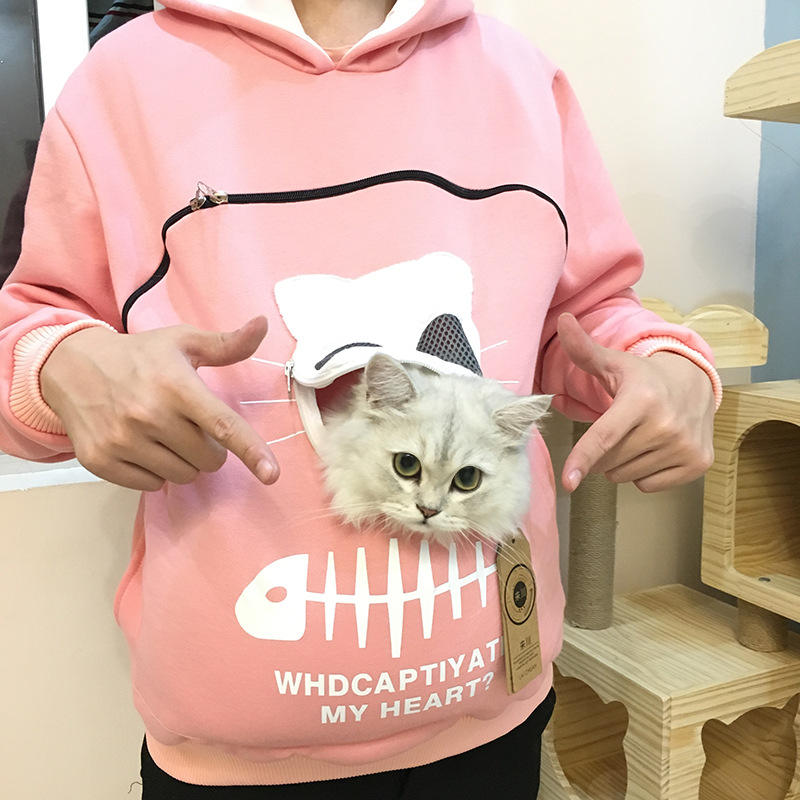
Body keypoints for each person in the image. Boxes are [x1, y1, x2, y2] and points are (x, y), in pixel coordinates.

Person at [0, 1, 721, 797]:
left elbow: (581, 315)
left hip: (494, 718)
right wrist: (61, 364)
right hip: (237, 758)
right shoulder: (124, 78)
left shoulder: (523, 77)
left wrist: (663, 362)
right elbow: (32, 322)